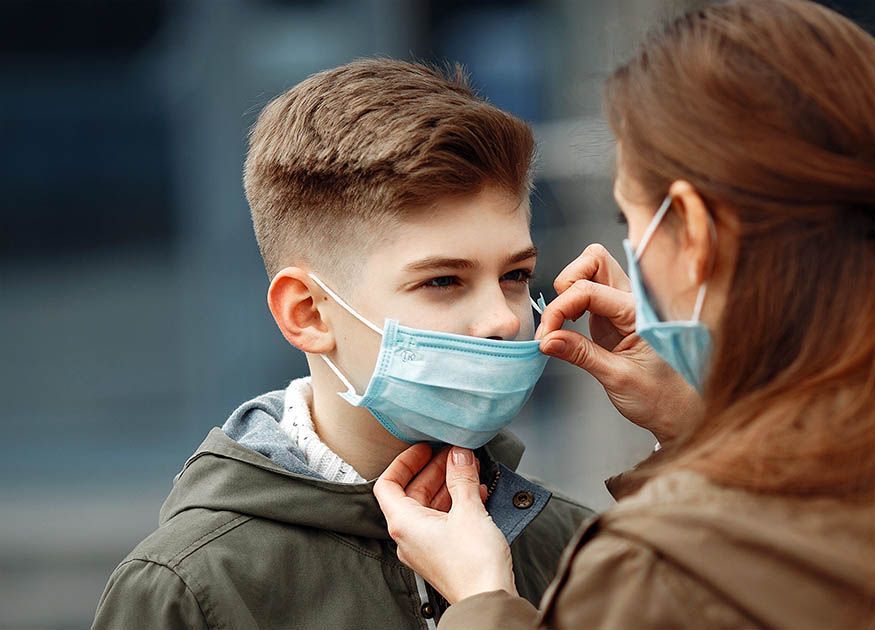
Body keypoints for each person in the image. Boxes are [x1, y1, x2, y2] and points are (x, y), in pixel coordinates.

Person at [372, 2, 875, 628]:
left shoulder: (662, 569)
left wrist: (481, 600)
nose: (503, 318)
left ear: (697, 230)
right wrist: (701, 433)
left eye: (628, 221)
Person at [92, 59, 593, 629]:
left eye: (516, 275)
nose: (502, 320)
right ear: (307, 313)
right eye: (443, 281)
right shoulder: (192, 588)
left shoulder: (576, 549)